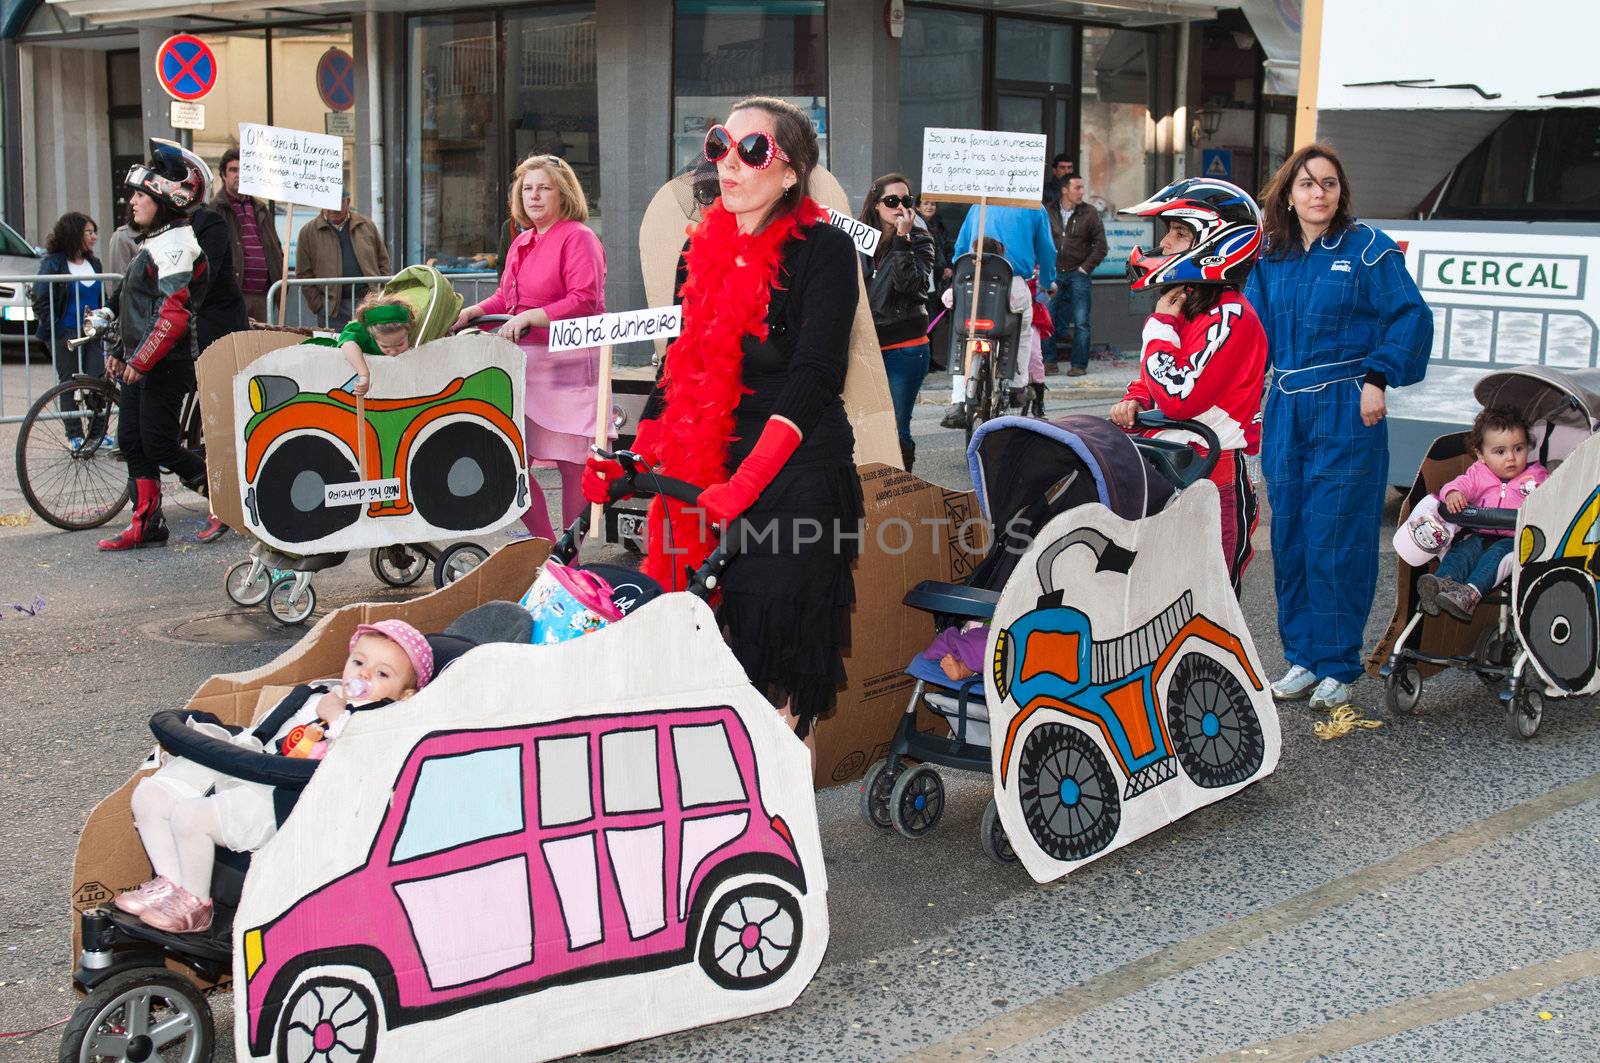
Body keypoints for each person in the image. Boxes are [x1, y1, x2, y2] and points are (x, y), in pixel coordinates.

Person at [582, 95, 863, 747]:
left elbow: (814, 377)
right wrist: (634, 459)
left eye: (752, 149)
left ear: (791, 171)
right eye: (719, 146)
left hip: (795, 478)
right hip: (708, 474)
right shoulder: (699, 248)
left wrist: (751, 482)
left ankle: (785, 830)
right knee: (713, 651)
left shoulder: (824, 250)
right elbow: (680, 367)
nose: (729, 163)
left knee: (780, 671)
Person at [1245, 143, 1433, 710]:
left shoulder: (1368, 249)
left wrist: (1378, 376)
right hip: (1287, 409)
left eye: (1328, 183)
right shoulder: (1269, 256)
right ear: (1289, 192)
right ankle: (1303, 658)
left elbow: (1410, 317)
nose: (1318, 193)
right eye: (1306, 184)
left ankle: (1339, 665)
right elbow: (1249, 333)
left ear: (1340, 191)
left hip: (1347, 408)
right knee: (1293, 535)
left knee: (1338, 536)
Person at [114, 620, 430, 933]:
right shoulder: (316, 694)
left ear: (405, 695)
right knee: (149, 795)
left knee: (190, 816)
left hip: (289, 798)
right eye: (359, 662)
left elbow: (364, 762)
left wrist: (336, 716)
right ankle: (171, 883)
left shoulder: (385, 724)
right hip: (254, 766)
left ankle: (196, 905)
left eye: (382, 673)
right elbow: (260, 734)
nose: (363, 675)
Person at [1108, 178, 1268, 594]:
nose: (1164, 242)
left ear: (1215, 241)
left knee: (1208, 603)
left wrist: (1159, 325)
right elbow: (1156, 378)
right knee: (1151, 598)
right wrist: (1136, 397)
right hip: (1169, 467)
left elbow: (1180, 397)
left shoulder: (1231, 315)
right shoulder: (1188, 308)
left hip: (1213, 480)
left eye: (1178, 233)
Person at [454, 155, 606, 541]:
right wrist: (473, 310)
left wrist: (532, 317)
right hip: (524, 366)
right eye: (527, 188)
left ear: (563, 192)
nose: (534, 196)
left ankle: (570, 558)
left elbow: (584, 299)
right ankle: (546, 547)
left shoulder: (578, 237)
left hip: (568, 364)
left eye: (544, 187)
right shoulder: (522, 240)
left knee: (573, 466)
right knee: (512, 462)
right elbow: (507, 298)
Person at [98, 140, 215, 553]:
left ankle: (227, 501)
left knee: (160, 445)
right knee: (131, 440)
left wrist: (142, 360)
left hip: (166, 365)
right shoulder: (157, 241)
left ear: (164, 201)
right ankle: (147, 524)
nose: (131, 202)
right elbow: (136, 306)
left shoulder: (178, 245)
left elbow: (173, 315)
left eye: (140, 195)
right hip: (142, 363)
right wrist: (118, 350)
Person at [1418, 407, 1549, 621]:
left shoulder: (1535, 476)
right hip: (1481, 533)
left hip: (1515, 539)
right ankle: (1440, 585)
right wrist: (1454, 493)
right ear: (1481, 455)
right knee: (1461, 552)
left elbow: (1549, 498)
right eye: (1500, 452)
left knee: (1494, 556)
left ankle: (1469, 594)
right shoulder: (1479, 473)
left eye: (1518, 449)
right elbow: (1461, 483)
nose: (1511, 458)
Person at [859, 173, 935, 471]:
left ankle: (902, 490)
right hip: (865, 347)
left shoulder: (920, 239)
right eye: (892, 201)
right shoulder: (860, 239)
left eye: (906, 201)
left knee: (896, 428)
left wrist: (904, 239)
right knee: (864, 428)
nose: (900, 207)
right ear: (876, 205)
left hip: (905, 348)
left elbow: (910, 285)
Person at [188, 201, 252, 544]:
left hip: (217, 326)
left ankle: (224, 505)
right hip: (188, 324)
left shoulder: (209, 222)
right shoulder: (164, 227)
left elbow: (202, 278)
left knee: (220, 420)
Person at [940, 237, 1038, 421]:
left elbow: (947, 299)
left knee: (959, 342)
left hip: (968, 328)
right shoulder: (1012, 280)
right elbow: (1020, 304)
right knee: (1024, 333)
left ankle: (958, 401)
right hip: (999, 328)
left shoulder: (966, 275)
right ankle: (1018, 386)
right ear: (1001, 255)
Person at [31, 212, 104, 443]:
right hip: (66, 332)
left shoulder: (94, 263)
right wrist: (56, 330)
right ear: (74, 234)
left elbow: (102, 297)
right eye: (89, 232)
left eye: (95, 232)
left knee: (97, 382)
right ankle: (74, 434)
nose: (93, 237)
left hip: (93, 333)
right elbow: (41, 299)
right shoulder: (53, 263)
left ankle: (97, 435)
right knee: (69, 384)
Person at [295, 194, 393, 329]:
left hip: (369, 302)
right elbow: (303, 273)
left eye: (338, 202)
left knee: (370, 346)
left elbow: (383, 262)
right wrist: (319, 306)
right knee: (336, 348)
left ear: (348, 201)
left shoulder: (366, 225)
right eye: (329, 203)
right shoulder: (308, 232)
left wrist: (380, 293)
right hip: (332, 309)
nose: (334, 208)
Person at [1045, 174, 1107, 376]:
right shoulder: (1048, 210)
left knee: (1081, 322)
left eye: (1082, 188)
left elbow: (1101, 246)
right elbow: (1040, 239)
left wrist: (1085, 268)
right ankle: (1049, 362)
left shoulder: (1089, 213)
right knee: (1047, 319)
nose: (1082, 192)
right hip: (1053, 272)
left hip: (1077, 272)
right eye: (1077, 188)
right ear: (1065, 190)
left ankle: (1079, 366)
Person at [211, 148, 283, 323]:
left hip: (264, 295)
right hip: (235, 294)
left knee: (263, 348)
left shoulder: (261, 209)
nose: (239, 175)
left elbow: (275, 248)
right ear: (223, 175)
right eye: (233, 170)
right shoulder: (216, 209)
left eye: (244, 170)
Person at [309, 293, 417, 395]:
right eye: (385, 346)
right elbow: (348, 344)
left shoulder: (414, 330)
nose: (393, 352)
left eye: (400, 344)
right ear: (372, 335)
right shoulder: (361, 329)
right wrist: (364, 373)